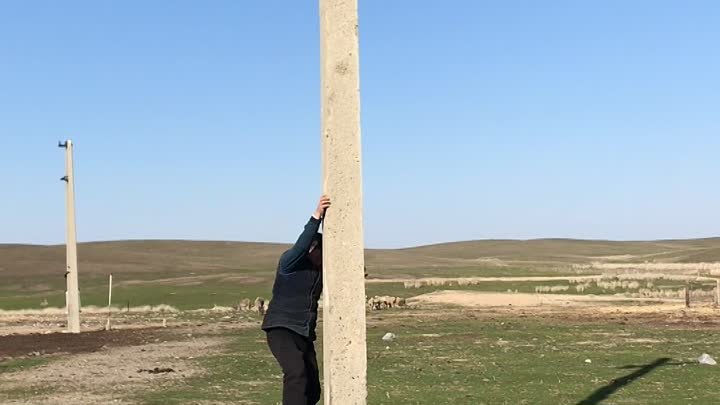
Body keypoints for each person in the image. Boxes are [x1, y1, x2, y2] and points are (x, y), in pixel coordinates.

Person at [261, 195, 330, 405]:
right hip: (281, 329)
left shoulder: (319, 273)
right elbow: (301, 245)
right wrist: (316, 216)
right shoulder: (289, 263)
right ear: (311, 249)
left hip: (304, 333)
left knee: (312, 389)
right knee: (296, 374)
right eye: (320, 250)